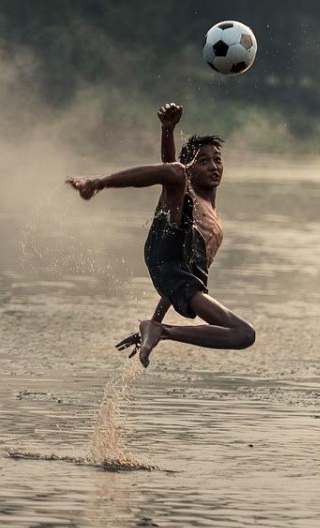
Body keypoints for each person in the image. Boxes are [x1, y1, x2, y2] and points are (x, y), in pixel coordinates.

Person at [65, 103, 255, 367]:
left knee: (243, 335)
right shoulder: (187, 192)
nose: (214, 166)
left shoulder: (214, 221)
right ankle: (96, 183)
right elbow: (170, 167)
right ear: (191, 169)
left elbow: (175, 283)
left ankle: (159, 330)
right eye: (203, 161)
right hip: (165, 242)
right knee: (173, 173)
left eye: (217, 160)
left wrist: (154, 323)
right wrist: (168, 130)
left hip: (176, 270)